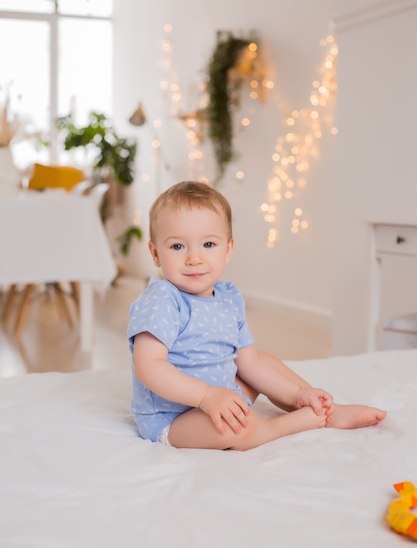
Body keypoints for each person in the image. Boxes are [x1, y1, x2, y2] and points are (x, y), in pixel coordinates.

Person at [128, 181, 386, 450]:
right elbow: (150, 367)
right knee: (234, 427)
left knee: (259, 363)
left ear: (227, 249)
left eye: (208, 244)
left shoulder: (228, 297)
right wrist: (206, 397)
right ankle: (287, 425)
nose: (195, 258)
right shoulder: (163, 299)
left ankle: (316, 405)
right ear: (156, 253)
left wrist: (292, 391)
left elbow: (249, 362)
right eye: (178, 247)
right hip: (173, 418)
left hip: (223, 394)